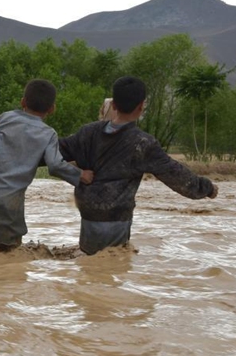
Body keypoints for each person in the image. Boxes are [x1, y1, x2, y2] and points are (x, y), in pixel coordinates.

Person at [59, 76, 219, 255]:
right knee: (111, 266)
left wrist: (74, 172)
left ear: (113, 104)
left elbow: (53, 152)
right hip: (116, 216)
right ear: (141, 106)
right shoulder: (143, 144)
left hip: (87, 210)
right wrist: (207, 188)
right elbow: (178, 177)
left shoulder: (87, 133)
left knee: (90, 260)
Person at [0, 79, 93, 252]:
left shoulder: (6, 118)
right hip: (10, 203)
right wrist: (80, 175)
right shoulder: (48, 134)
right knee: (7, 256)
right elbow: (55, 165)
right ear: (52, 109)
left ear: (23, 102)